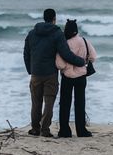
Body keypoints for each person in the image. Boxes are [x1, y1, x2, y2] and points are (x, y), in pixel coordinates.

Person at [23, 9, 85, 137]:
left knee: (36, 103)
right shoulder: (57, 34)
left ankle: (35, 129)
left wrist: (30, 69)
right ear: (54, 19)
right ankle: (45, 130)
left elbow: (26, 54)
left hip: (35, 74)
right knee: (49, 103)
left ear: (44, 17)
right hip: (50, 74)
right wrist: (81, 62)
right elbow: (65, 54)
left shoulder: (32, 33)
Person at [56, 19, 97, 137]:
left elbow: (60, 64)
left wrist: (67, 66)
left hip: (67, 77)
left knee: (64, 104)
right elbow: (93, 57)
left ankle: (64, 131)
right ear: (76, 30)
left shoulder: (64, 43)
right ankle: (81, 130)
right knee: (80, 103)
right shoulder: (84, 41)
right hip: (81, 76)